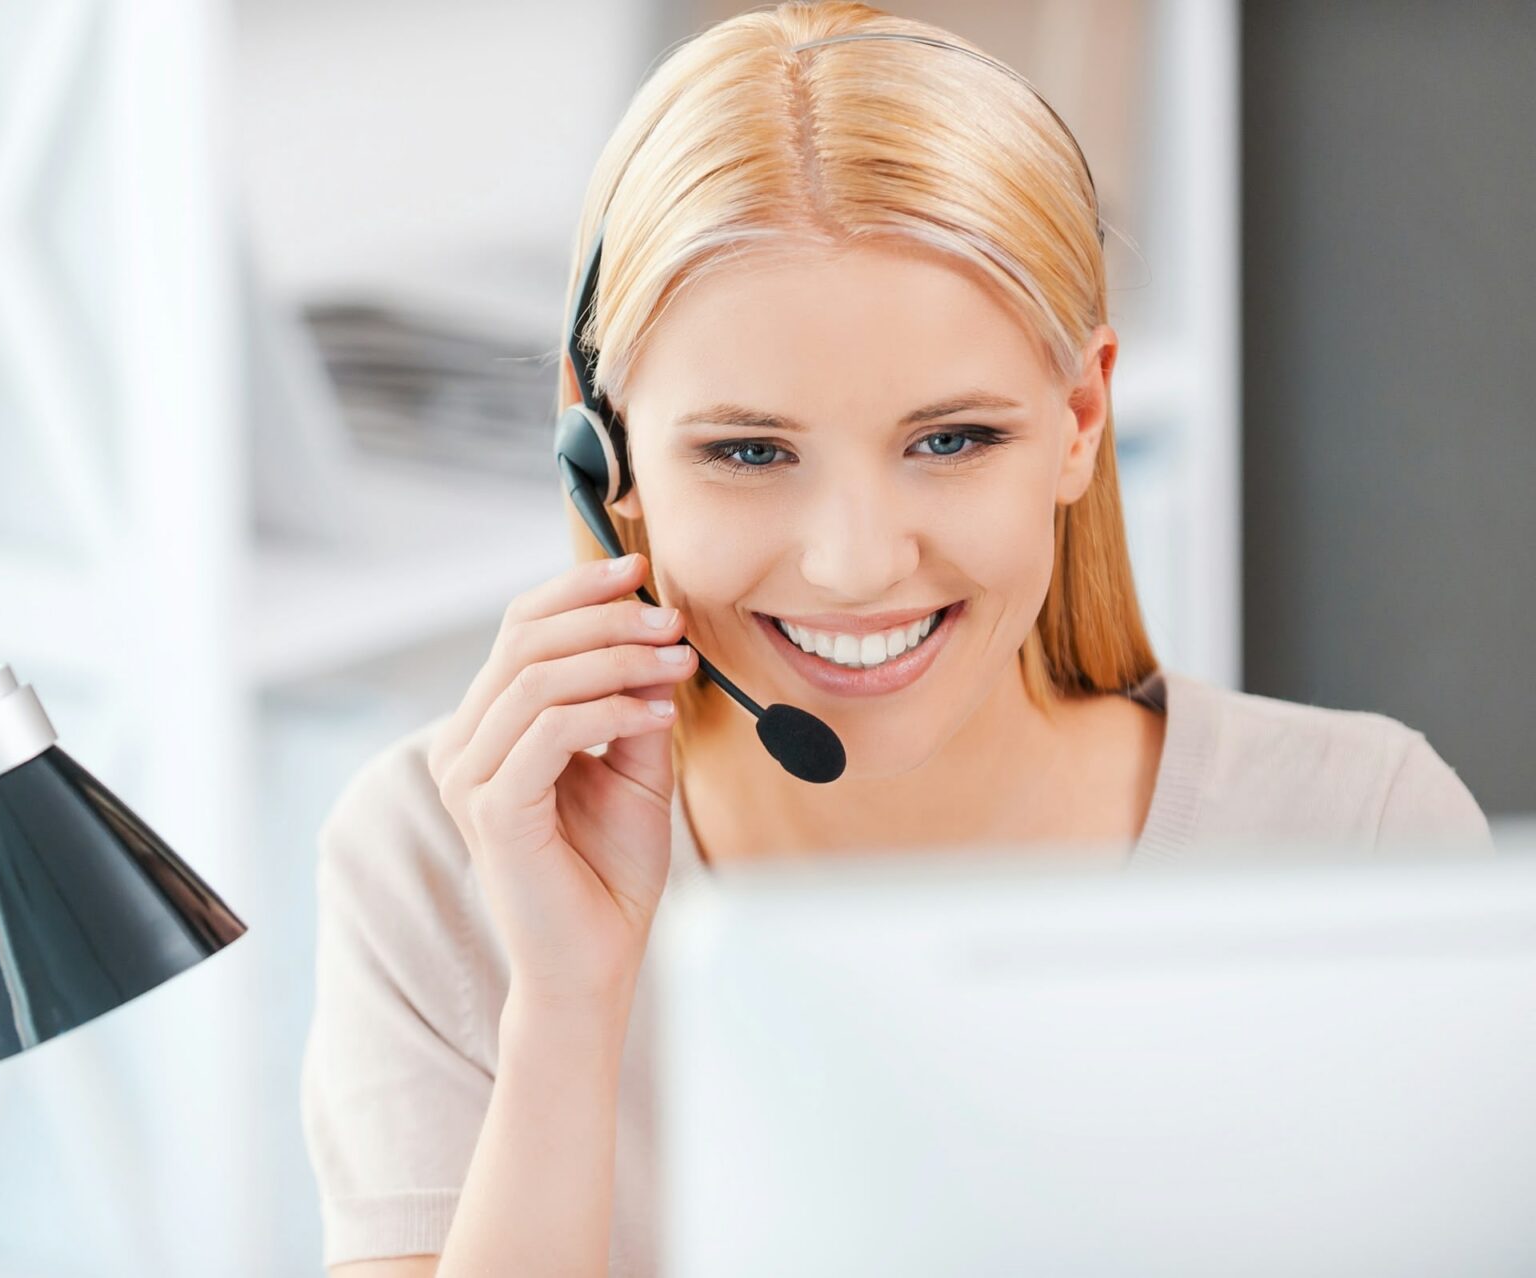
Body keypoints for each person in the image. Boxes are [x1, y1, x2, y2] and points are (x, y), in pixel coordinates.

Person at [299, 5, 1494, 1275]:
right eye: (748, 452)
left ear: (1082, 414)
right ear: (608, 451)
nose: (858, 563)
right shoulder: (441, 854)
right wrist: (568, 1004)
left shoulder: (1359, 841)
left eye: (950, 440)